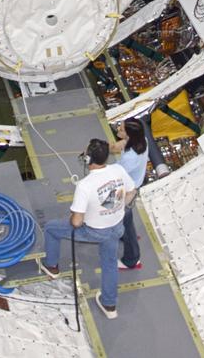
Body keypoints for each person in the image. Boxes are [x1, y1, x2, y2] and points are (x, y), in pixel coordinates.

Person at [38, 138, 135, 320]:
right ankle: (109, 304)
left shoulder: (85, 186)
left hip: (95, 231)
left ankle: (52, 266)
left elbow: (76, 222)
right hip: (116, 227)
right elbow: (131, 192)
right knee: (109, 264)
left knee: (51, 228)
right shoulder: (118, 170)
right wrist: (117, 208)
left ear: (88, 160)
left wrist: (80, 215)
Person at [109, 119, 148, 272]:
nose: (119, 128)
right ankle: (124, 234)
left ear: (130, 134)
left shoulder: (130, 158)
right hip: (131, 185)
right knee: (125, 219)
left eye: (122, 128)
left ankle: (131, 260)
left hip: (126, 192)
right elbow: (121, 145)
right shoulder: (141, 141)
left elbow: (114, 172)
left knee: (124, 219)